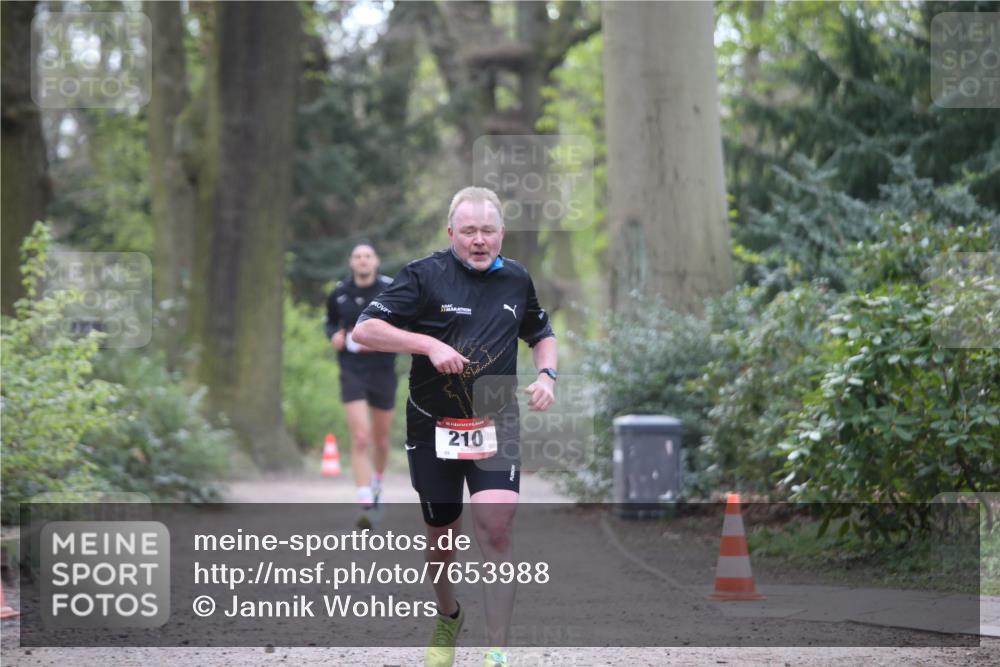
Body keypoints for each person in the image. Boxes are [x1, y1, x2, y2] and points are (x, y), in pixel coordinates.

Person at [352, 187, 557, 667]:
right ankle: (449, 615)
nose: (479, 240)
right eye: (469, 231)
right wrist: (427, 344)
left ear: (502, 234)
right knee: (442, 540)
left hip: (496, 420)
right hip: (432, 426)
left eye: (488, 231)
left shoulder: (516, 279)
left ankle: (497, 651)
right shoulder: (423, 275)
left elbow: (541, 334)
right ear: (451, 233)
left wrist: (548, 375)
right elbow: (364, 329)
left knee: (496, 530)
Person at [324, 242, 398, 528]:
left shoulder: (390, 289)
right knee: (360, 438)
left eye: (367, 256)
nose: (363, 261)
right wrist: (334, 336)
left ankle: (377, 485)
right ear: (351, 262)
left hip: (383, 370)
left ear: (376, 261)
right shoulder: (339, 292)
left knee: (381, 440)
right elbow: (330, 323)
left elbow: (405, 322)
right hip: (352, 369)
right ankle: (365, 501)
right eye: (358, 256)